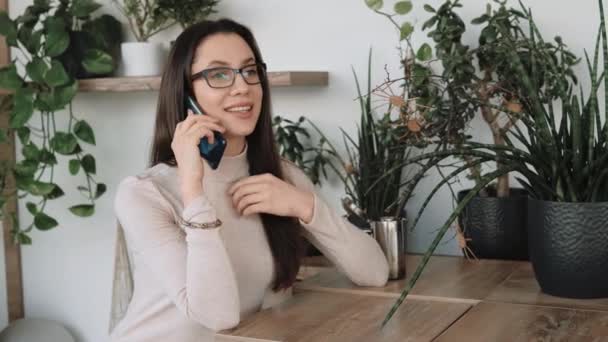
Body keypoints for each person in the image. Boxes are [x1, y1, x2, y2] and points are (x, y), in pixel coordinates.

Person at [108, 18, 389, 342]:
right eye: (218, 74)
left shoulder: (281, 178)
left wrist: (305, 206)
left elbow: (375, 273)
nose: (242, 86)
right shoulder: (145, 193)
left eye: (250, 70)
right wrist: (193, 191)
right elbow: (218, 316)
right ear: (186, 94)